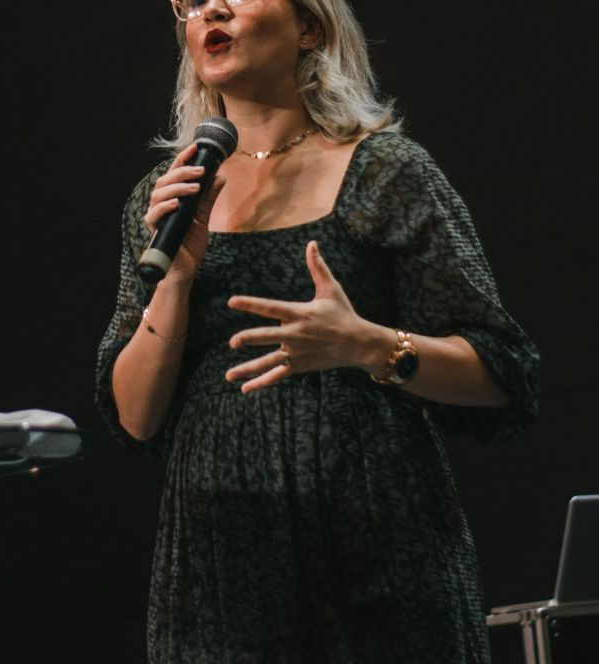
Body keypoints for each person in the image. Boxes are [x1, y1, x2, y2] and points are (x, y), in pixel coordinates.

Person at [95, 0, 540, 661]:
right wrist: (178, 278)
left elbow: (503, 371)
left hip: (379, 554)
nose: (211, 9)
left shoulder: (386, 170)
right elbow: (135, 416)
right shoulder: (165, 197)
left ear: (309, 26)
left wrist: (369, 345)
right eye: (192, 2)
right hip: (222, 571)